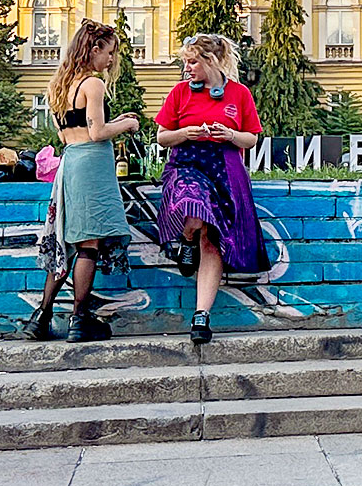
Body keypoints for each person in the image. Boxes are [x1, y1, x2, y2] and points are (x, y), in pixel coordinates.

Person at [154, 33, 266, 345]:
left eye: (193, 62)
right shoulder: (179, 93)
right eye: (185, 62)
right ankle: (186, 239)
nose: (187, 68)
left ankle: (201, 314)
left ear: (212, 61)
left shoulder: (239, 94)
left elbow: (251, 138)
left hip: (224, 167)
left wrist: (230, 134)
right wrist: (184, 132)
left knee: (213, 239)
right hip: (188, 163)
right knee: (194, 210)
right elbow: (162, 137)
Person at [45, 20, 144, 343]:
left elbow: (72, 131)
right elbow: (97, 133)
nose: (112, 60)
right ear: (94, 48)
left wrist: (112, 122)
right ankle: (80, 318)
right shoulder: (93, 84)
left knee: (67, 243)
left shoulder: (59, 85)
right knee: (89, 245)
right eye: (110, 52)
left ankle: (43, 316)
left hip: (70, 162)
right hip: (92, 166)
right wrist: (127, 124)